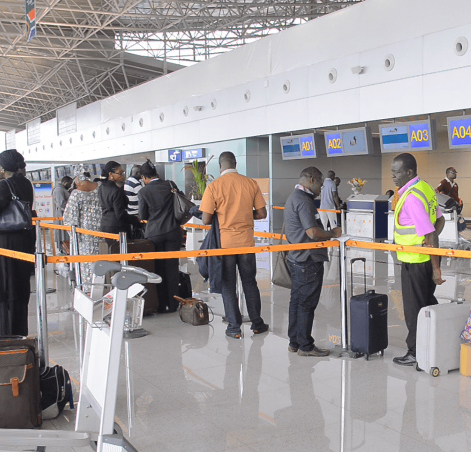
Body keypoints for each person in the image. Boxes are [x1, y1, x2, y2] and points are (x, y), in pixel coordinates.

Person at [199, 151, 269, 339]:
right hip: (246, 243)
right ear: (235, 163)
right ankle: (257, 324)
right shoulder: (250, 183)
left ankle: (234, 328)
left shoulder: (213, 187)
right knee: (250, 282)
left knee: (228, 285)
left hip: (225, 245)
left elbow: (206, 219)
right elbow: (262, 214)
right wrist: (246, 215)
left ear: (220, 166)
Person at [391, 153, 444, 367]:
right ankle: (433, 345)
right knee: (426, 306)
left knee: (414, 310)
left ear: (409, 172)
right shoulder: (425, 188)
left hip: (416, 263)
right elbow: (439, 221)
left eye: (397, 172)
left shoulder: (412, 197)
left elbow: (429, 233)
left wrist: (436, 268)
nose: (393, 176)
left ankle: (414, 351)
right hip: (423, 261)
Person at [284, 166, 342, 357]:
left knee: (297, 301)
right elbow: (313, 232)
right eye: (320, 182)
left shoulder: (294, 196)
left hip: (297, 257)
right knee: (306, 304)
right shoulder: (303, 201)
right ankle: (305, 346)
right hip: (307, 259)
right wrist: (332, 234)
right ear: (311, 179)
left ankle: (294, 342)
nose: (321, 188)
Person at [0, 149, 36, 336]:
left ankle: (7, 334)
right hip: (23, 240)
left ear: (4, 168)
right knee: (20, 287)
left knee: (5, 287)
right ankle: (21, 332)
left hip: (5, 242)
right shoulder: (26, 183)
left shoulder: (5, 185)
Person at [138, 160, 183, 314]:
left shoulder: (144, 192)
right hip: (173, 231)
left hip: (154, 234)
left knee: (157, 269)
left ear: (144, 177)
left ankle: (161, 304)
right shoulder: (170, 185)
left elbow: (143, 215)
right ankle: (173, 304)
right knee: (172, 268)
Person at [63, 170, 102, 285]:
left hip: (84, 237)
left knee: (86, 267)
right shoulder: (100, 189)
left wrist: (73, 237)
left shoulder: (76, 194)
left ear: (77, 179)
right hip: (103, 234)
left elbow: (69, 219)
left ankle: (88, 291)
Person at [98, 161, 140, 245]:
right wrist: (134, 219)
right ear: (110, 175)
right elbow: (120, 214)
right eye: (120, 173)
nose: (123, 176)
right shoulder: (116, 191)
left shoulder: (101, 187)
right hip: (117, 226)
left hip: (105, 224)